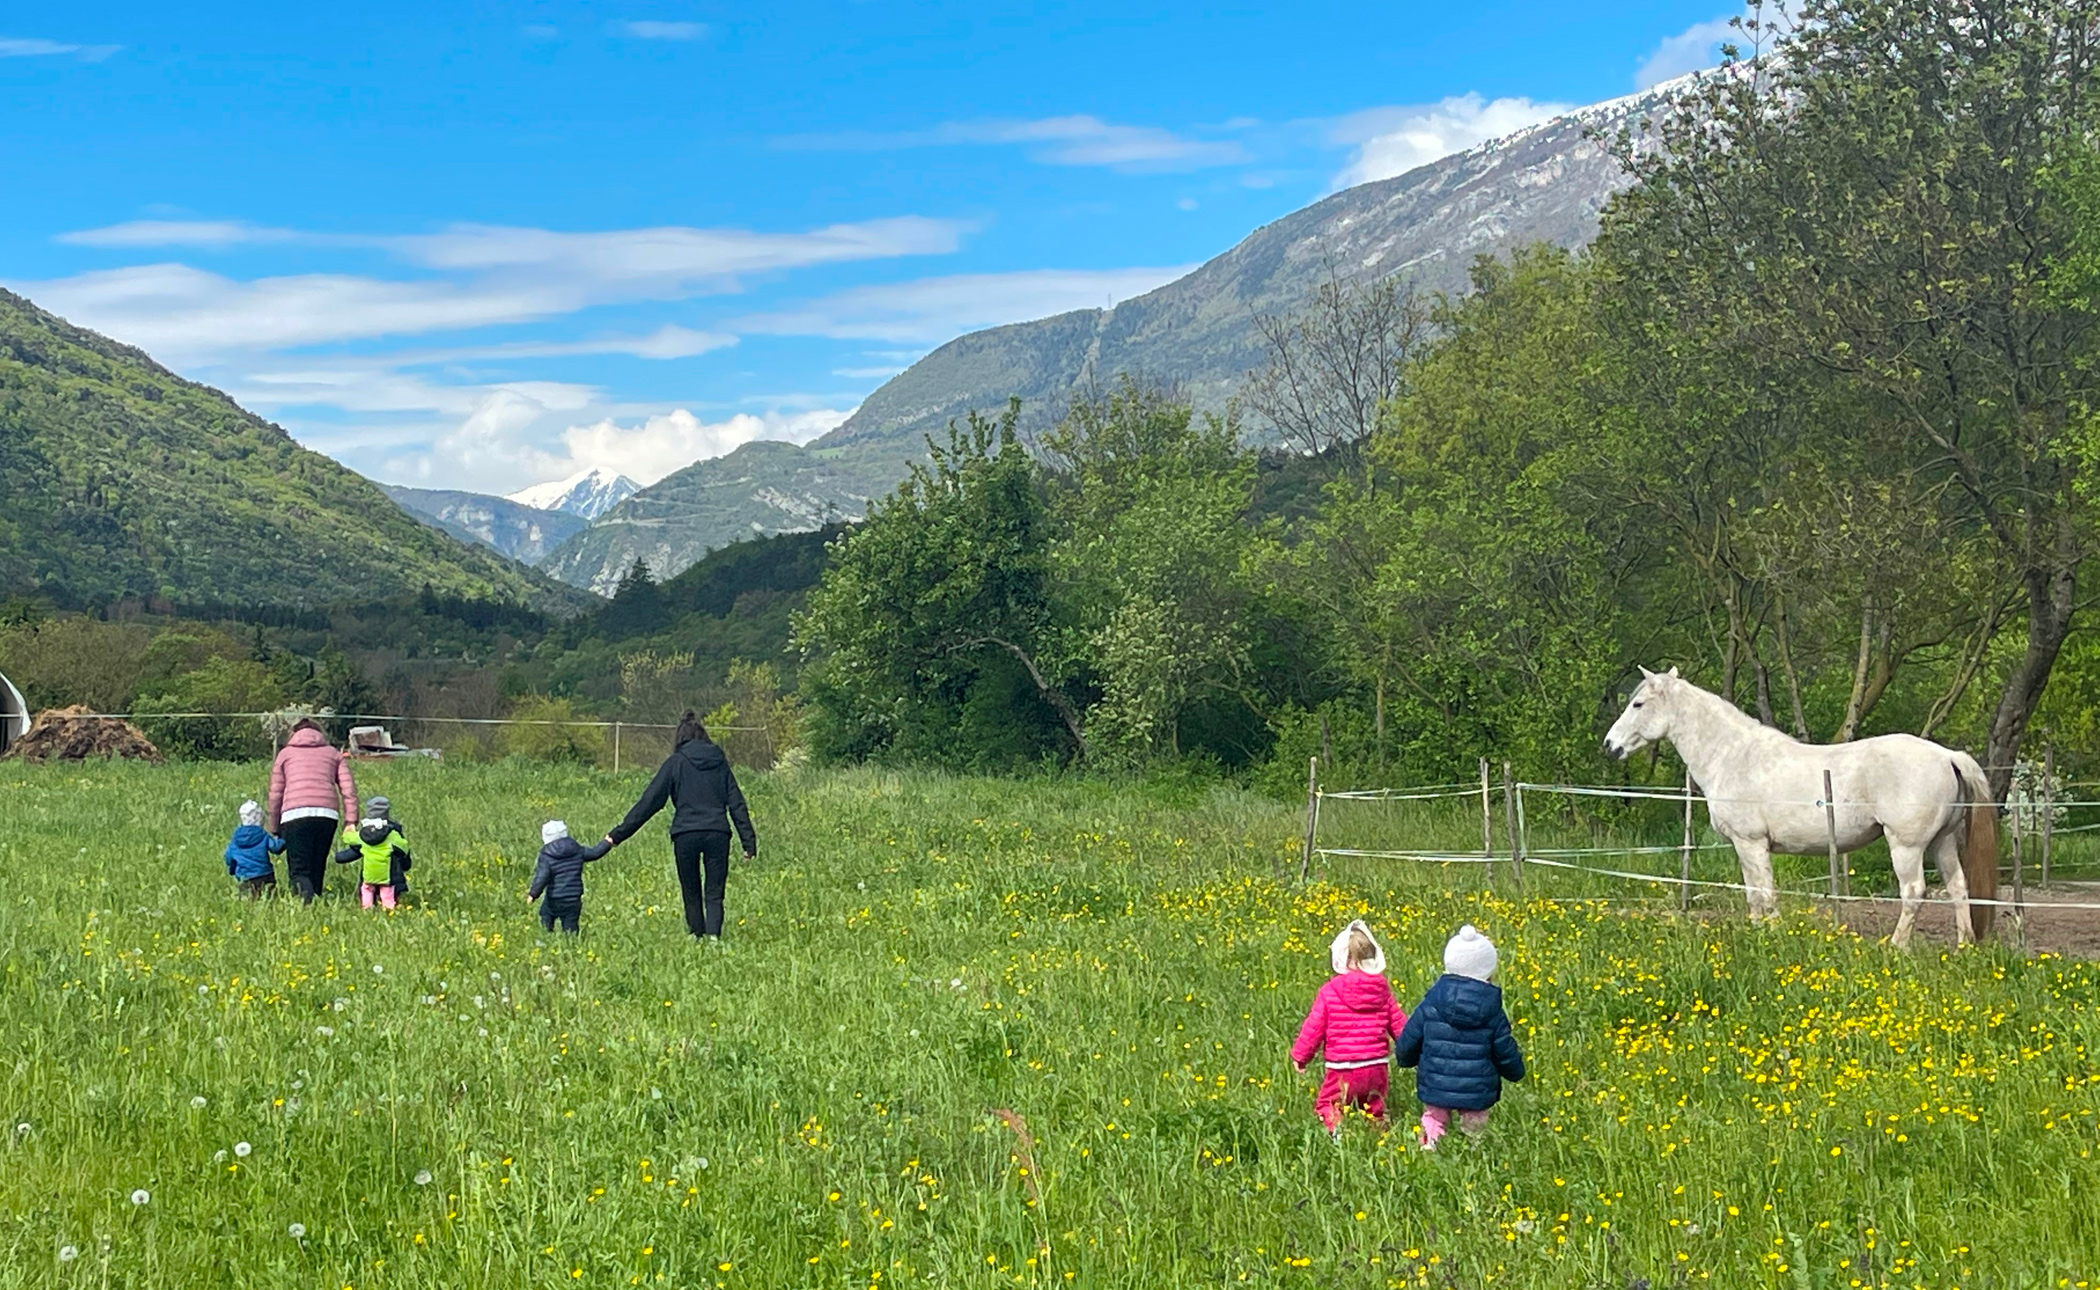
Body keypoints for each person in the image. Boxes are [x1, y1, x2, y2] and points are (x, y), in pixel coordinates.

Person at [604, 711, 757, 939]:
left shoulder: (675, 763)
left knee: (691, 891)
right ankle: (714, 939)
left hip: (685, 834)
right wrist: (749, 842)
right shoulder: (719, 762)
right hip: (718, 833)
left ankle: (697, 936)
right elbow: (736, 802)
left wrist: (617, 835)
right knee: (714, 893)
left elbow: (649, 802)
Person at [1395, 924, 1526, 1149]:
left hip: (1435, 1083)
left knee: (1434, 1118)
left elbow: (1409, 1038)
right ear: (1488, 970)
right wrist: (1516, 1072)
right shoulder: (1492, 1010)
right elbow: (1504, 1048)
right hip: (1477, 1089)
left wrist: (1405, 1059)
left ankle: (1429, 1150)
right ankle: (1474, 1154)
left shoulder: (1431, 1003)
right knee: (1475, 1123)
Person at [1291, 919, 1408, 1135]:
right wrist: (1415, 1050)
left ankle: (1337, 1134)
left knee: (1329, 1103)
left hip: (1342, 1068)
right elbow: (1400, 1026)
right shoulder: (1382, 991)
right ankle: (1380, 1138)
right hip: (1376, 1066)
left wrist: (1301, 1056)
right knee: (1374, 1106)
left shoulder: (1329, 991)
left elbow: (1313, 1028)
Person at [267, 719, 358, 904]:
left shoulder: (285, 754)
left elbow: (276, 794)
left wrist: (274, 827)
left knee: (299, 869)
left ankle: (305, 905)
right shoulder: (333, 753)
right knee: (318, 865)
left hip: (294, 815)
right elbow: (348, 790)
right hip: (327, 814)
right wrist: (351, 822)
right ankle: (316, 902)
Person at [526, 820, 611, 934]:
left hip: (554, 898)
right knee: (570, 925)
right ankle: (572, 944)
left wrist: (533, 894)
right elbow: (595, 853)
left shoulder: (546, 855)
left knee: (545, 916)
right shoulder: (577, 850)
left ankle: (545, 940)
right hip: (573, 898)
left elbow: (542, 877)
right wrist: (607, 842)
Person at [333, 811, 410, 910]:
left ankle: (367, 908)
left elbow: (349, 838)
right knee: (387, 892)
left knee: (367, 889)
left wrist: (348, 831)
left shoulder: (362, 836)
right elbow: (404, 846)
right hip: (385, 875)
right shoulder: (392, 836)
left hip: (369, 874)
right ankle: (389, 909)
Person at [223, 800, 285, 898]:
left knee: (248, 902)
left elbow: (228, 858)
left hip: (244, 876)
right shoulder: (262, 835)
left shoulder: (235, 839)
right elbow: (276, 848)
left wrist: (233, 870)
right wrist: (284, 838)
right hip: (264, 874)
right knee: (270, 899)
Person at [366, 796, 412, 899]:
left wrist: (340, 857)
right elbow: (403, 850)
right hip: (393, 876)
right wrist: (406, 865)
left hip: (370, 875)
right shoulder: (394, 832)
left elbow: (355, 850)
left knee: (368, 891)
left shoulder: (366, 833)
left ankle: (369, 904)